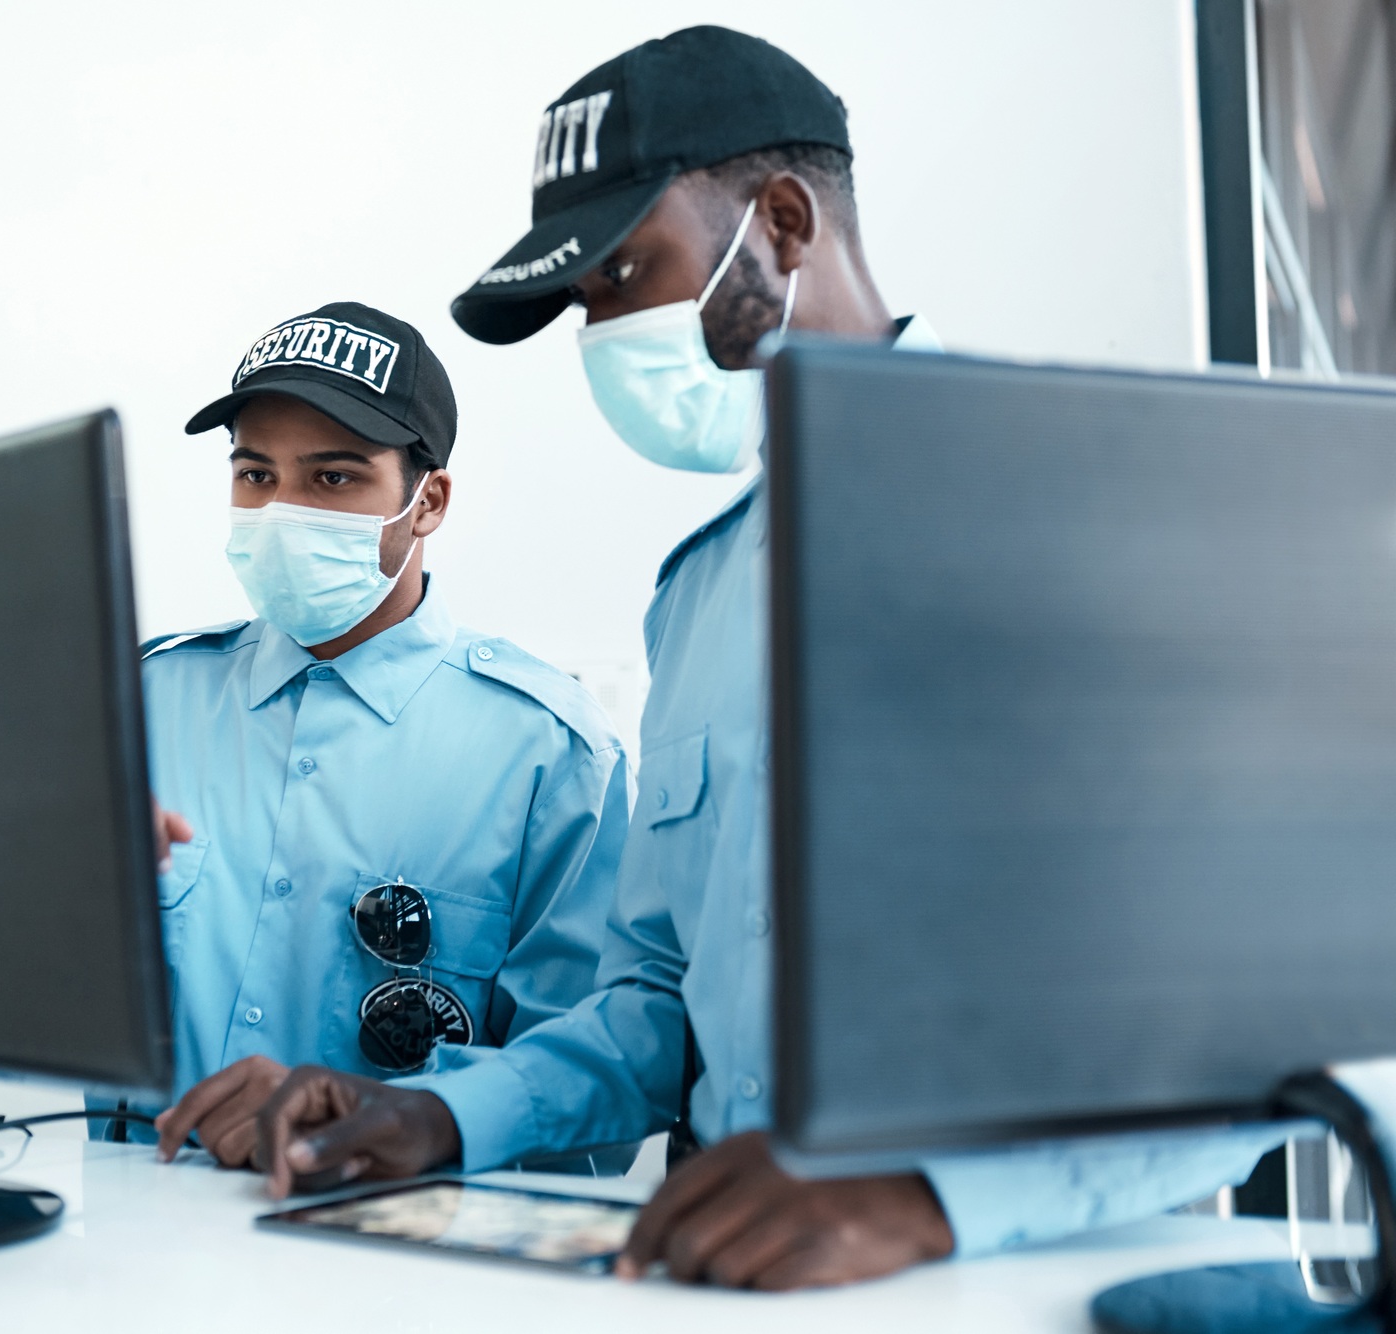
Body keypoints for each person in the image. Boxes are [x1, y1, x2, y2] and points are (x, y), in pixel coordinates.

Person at [243, 29, 1283, 1290]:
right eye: (583, 304)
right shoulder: (698, 598)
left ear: (782, 221)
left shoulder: (1102, 506)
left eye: (627, 271)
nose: (601, 332)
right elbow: (653, 996)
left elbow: (1308, 1013)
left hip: (1018, 1283)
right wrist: (448, 1113)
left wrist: (928, 1197)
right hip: (739, 1283)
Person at [138, 301, 628, 1169]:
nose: (281, 511)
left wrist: (403, 1124)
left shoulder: (549, 755)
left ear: (428, 500)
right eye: (255, 475)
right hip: (119, 1252)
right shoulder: (142, 704)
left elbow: (596, 1097)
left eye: (332, 479)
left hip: (392, 1264)